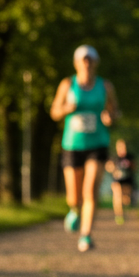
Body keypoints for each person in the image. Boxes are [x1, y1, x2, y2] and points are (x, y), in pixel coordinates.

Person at [49, 45, 120, 252]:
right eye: (83, 60)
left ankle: (86, 235)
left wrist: (110, 117)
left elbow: (115, 111)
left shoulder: (105, 86)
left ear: (96, 63)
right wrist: (65, 109)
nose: (87, 63)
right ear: (76, 63)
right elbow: (54, 112)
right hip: (72, 145)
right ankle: (73, 209)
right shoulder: (67, 84)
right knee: (74, 196)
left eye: (90, 60)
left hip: (97, 144)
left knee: (90, 191)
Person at [105, 138, 136, 225]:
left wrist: (131, 165)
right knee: (117, 196)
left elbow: (135, 167)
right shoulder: (114, 157)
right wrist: (112, 168)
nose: (123, 148)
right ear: (117, 147)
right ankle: (119, 215)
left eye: (124, 146)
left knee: (126, 200)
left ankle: (122, 209)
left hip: (128, 180)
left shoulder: (130, 157)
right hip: (117, 180)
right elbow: (108, 167)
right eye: (120, 146)